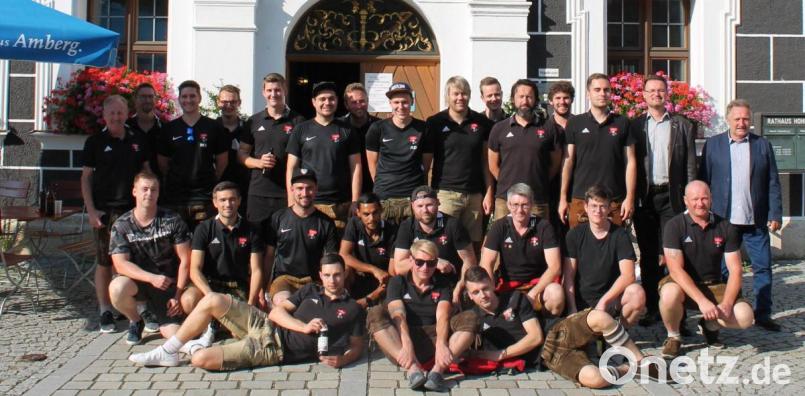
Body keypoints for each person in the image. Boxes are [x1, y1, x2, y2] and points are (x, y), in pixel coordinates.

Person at [129, 254, 366, 370]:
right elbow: (275, 313)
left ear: (345, 274)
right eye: (327, 275)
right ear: (320, 275)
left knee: (201, 360)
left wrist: (343, 359)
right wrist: (303, 327)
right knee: (212, 299)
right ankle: (168, 351)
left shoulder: (352, 308)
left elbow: (357, 345)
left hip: (273, 349)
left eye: (337, 275)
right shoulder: (310, 290)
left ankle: (190, 347)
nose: (332, 280)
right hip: (265, 325)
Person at [698, 99, 783, 332]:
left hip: (755, 219)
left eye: (746, 118)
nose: (741, 123)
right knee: (724, 269)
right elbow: (703, 180)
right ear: (728, 120)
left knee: (763, 266)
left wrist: (776, 212)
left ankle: (763, 313)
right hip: (724, 220)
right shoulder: (713, 145)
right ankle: (731, 309)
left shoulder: (762, 145)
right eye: (737, 119)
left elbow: (773, 181)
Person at [658, 181, 755, 358]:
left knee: (746, 317)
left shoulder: (725, 226)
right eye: (695, 199)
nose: (700, 203)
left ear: (711, 199)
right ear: (686, 201)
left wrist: (726, 303)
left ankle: (709, 325)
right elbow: (676, 271)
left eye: (704, 198)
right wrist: (702, 301)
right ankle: (673, 336)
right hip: (681, 283)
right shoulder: (674, 225)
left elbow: (735, 271)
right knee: (669, 293)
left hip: (714, 284)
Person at [81, 95, 151, 333]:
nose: (116, 117)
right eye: (111, 113)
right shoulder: (95, 142)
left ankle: (141, 308)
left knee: (136, 260)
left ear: (126, 114)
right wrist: (91, 211)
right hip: (105, 212)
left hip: (132, 212)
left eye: (120, 113)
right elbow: (86, 178)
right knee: (104, 262)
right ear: (104, 115)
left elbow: (146, 174)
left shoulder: (137, 140)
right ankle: (105, 310)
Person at [368, 240, 477, 391]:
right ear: (411, 260)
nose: (425, 268)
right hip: (401, 343)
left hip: (434, 339)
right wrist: (407, 345)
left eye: (431, 263)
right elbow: (398, 314)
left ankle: (437, 372)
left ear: (436, 263)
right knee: (375, 313)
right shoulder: (398, 282)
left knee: (471, 317)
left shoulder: (443, 284)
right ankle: (413, 370)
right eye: (419, 262)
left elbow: (443, 316)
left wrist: (441, 344)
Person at [632, 74, 698, 325]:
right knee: (649, 255)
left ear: (667, 94)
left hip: (673, 197)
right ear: (644, 95)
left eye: (661, 90)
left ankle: (677, 314)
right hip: (646, 198)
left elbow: (691, 165)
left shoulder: (682, 125)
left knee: (674, 254)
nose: (656, 94)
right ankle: (651, 307)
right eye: (652, 91)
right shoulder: (635, 126)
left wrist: (691, 197)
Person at [108, 172, 191, 345]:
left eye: (154, 190)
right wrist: (152, 278)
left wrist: (178, 294)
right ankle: (135, 320)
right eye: (144, 189)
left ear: (159, 193)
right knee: (116, 288)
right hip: (138, 283)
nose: (149, 194)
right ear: (134, 192)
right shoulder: (122, 225)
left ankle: (159, 316)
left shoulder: (172, 220)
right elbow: (120, 264)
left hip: (168, 285)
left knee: (174, 337)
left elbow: (186, 260)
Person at [425, 76, 494, 252]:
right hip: (445, 194)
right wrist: (426, 193)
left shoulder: (482, 122)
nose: (460, 98)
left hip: (474, 195)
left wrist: (488, 193)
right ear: (447, 96)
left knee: (473, 246)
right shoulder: (435, 122)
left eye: (464, 94)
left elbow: (486, 161)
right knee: (443, 243)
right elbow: (426, 162)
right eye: (455, 94)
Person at [559, 73, 637, 229]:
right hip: (581, 199)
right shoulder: (575, 122)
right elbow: (568, 161)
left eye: (606, 90)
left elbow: (630, 162)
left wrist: (630, 198)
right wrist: (562, 198)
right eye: (597, 89)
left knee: (613, 249)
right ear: (588, 94)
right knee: (579, 250)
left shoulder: (622, 122)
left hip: (613, 201)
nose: (602, 93)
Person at [563, 186, 646, 327]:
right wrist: (572, 309)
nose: (598, 211)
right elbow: (569, 275)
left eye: (603, 206)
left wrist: (604, 301)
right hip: (581, 301)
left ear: (609, 209)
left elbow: (629, 276)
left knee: (637, 293)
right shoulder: (574, 235)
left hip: (611, 301)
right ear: (586, 207)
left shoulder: (620, 235)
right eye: (594, 206)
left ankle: (620, 335)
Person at [479, 184, 564, 316]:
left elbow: (555, 267)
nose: (519, 210)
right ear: (508, 205)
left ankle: (548, 327)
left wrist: (532, 294)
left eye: (524, 205)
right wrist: (491, 292)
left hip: (538, 285)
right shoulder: (499, 226)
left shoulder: (544, 226)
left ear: (532, 204)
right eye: (515, 205)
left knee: (556, 293)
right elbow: (486, 263)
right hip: (509, 285)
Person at [287, 81, 361, 229]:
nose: (327, 102)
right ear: (313, 102)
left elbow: (356, 167)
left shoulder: (348, 130)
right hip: (309, 202)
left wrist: (355, 201)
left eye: (331, 98)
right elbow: (291, 167)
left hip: (341, 205)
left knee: (339, 250)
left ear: (337, 101)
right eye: (322, 99)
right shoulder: (301, 130)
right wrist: (291, 201)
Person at [158, 80, 229, 229]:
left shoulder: (214, 127)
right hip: (176, 198)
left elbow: (222, 160)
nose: (188, 100)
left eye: (192, 96)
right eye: (184, 96)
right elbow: (163, 162)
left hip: (204, 197)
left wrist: (212, 179)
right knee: (177, 245)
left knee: (203, 244)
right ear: (179, 99)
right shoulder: (169, 129)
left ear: (199, 98)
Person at [184, 181, 264, 311]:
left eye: (232, 199)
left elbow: (257, 270)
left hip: (237, 287)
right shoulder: (203, 228)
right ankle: (207, 326)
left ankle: (217, 323)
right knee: (188, 300)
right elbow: (194, 269)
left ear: (239, 201)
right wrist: (210, 296)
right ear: (215, 203)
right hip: (209, 285)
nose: (228, 204)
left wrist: (251, 303)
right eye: (223, 200)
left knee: (237, 329)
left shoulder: (252, 230)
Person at [488, 79, 562, 220]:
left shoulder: (549, 128)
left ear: (535, 100)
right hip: (506, 200)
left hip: (537, 199)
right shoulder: (499, 129)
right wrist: (508, 182)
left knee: (537, 240)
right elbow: (492, 165)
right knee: (503, 240)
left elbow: (555, 164)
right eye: (521, 97)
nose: (525, 100)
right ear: (513, 99)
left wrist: (539, 179)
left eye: (529, 97)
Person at [239, 73, 306, 227]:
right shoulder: (253, 121)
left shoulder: (299, 121)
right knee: (257, 241)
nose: (273, 94)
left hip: (286, 192)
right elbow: (241, 153)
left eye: (277, 90)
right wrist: (258, 162)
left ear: (285, 91)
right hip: (258, 193)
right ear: (263, 93)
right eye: (269, 90)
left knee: (285, 240)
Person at [265, 168, 338, 306]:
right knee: (284, 304)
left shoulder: (326, 223)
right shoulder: (278, 218)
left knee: (309, 308)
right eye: (300, 188)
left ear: (316, 189)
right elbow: (269, 256)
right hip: (283, 280)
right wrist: (264, 288)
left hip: (313, 281)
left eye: (309, 188)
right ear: (292, 189)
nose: (304, 193)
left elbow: (331, 260)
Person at [541, 307, 664, 388]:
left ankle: (640, 361)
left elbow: (534, 336)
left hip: (554, 331)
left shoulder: (520, 297)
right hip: (548, 354)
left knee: (600, 318)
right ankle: (630, 369)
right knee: (597, 379)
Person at [394, 186, 477, 303]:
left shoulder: (453, 225)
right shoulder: (407, 226)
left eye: (429, 205)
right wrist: (434, 262)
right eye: (420, 206)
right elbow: (399, 267)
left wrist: (459, 288)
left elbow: (469, 261)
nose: (425, 210)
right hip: (418, 286)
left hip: (448, 285)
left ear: (438, 203)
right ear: (412, 206)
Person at [365, 82, 432, 224]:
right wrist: (382, 186)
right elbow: (372, 164)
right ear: (390, 103)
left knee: (412, 242)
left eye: (405, 102)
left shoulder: (423, 128)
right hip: (385, 197)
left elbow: (425, 165)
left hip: (412, 196)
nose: (400, 107)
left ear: (412, 102)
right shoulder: (377, 128)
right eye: (396, 102)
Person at [463, 266, 544, 367]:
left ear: (492, 285)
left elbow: (536, 337)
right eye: (476, 292)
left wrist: (502, 354)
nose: (483, 295)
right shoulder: (472, 317)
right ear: (469, 295)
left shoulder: (516, 298)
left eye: (485, 288)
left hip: (550, 349)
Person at [339, 193, 398, 307]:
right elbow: (344, 254)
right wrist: (373, 269)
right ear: (358, 213)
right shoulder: (354, 223)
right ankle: (343, 305)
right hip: (362, 275)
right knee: (344, 269)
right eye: (366, 214)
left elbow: (392, 273)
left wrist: (374, 295)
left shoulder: (392, 230)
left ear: (381, 210)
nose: (371, 218)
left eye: (375, 213)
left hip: (384, 280)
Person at [215, 85, 250, 215]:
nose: (228, 105)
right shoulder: (211, 129)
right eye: (224, 102)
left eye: (233, 102)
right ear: (218, 102)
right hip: (218, 189)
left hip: (243, 189)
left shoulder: (249, 129)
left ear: (239, 103)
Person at [340, 83, 380, 194]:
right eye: (353, 102)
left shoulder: (380, 126)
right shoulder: (338, 127)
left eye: (362, 101)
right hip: (346, 188)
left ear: (367, 101)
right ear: (346, 105)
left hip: (375, 186)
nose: (359, 105)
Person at [545, 81, 574, 230]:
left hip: (576, 187)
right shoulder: (543, 127)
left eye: (566, 98)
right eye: (558, 98)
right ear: (550, 101)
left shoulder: (579, 124)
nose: (562, 102)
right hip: (550, 188)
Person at [128, 83, 162, 178]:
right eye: (143, 97)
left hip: (158, 188)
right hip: (129, 188)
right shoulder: (125, 127)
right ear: (135, 99)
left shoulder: (164, 128)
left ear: (156, 100)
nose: (147, 100)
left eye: (150, 96)